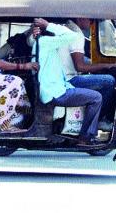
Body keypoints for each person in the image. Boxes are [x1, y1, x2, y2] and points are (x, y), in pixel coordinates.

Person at [32, 18, 104, 147]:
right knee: (97, 97)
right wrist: (49, 25)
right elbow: (73, 36)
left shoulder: (42, 44)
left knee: (89, 94)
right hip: (56, 92)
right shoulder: (46, 42)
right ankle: (86, 137)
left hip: (54, 89)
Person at [60, 18, 116, 131]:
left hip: (61, 77)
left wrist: (100, 63)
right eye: (90, 20)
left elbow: (79, 59)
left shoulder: (67, 28)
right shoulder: (76, 34)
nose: (92, 23)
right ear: (81, 17)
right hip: (69, 81)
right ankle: (99, 120)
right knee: (108, 81)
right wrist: (105, 66)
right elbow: (80, 67)